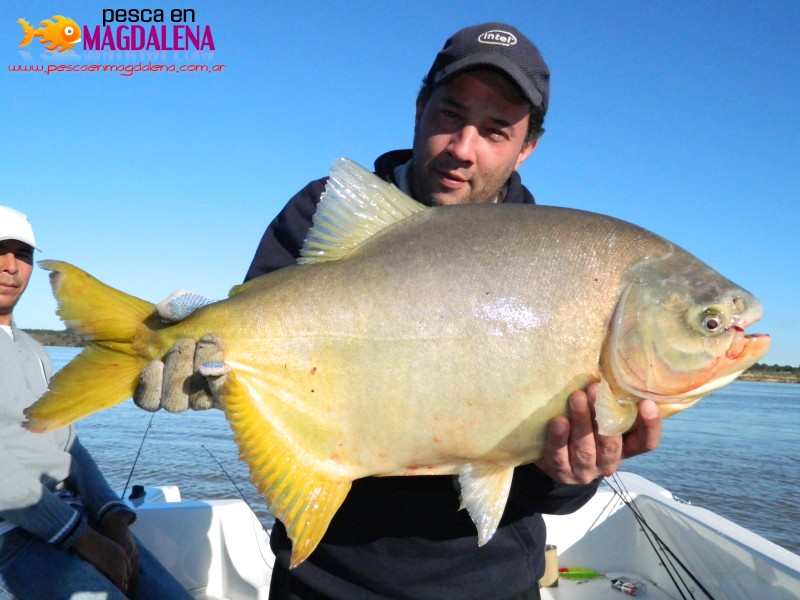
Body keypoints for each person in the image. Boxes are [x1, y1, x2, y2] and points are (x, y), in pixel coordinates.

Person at [137, 22, 662, 600]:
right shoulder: (320, 209)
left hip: (492, 583)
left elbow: (550, 492)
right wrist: (211, 372)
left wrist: (570, 476)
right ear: (419, 109)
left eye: (495, 131)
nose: (463, 148)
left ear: (526, 147)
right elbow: (255, 365)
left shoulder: (564, 267)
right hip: (324, 581)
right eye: (450, 115)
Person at [0, 206, 195, 600]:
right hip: (13, 535)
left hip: (74, 520)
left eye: (22, 255)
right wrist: (83, 539)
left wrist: (113, 518)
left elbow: (68, 442)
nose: (11, 267)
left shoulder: (35, 351)